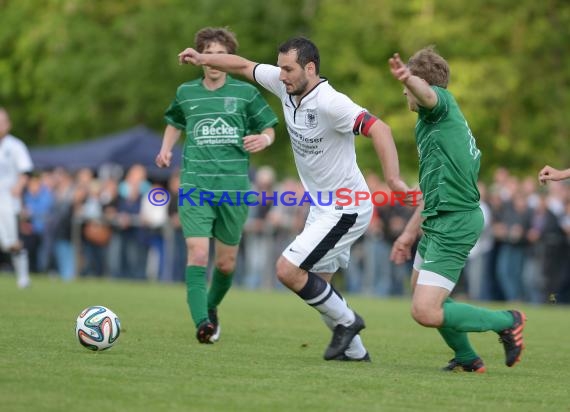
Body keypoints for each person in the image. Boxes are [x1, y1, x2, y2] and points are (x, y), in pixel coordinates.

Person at [178, 36, 412, 361]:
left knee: (288, 270)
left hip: (347, 205)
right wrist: (204, 60)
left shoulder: (331, 102)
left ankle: (349, 321)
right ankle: (356, 354)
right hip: (323, 207)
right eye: (280, 68)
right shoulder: (284, 83)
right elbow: (243, 65)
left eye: (288, 69)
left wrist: (393, 180)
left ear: (310, 68)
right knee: (320, 287)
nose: (282, 75)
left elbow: (381, 129)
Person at [388, 48, 526, 373]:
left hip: (456, 221)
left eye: (407, 84)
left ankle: (508, 321)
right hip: (437, 220)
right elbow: (433, 190)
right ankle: (466, 357)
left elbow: (428, 94)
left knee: (425, 311)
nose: (404, 91)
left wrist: (409, 77)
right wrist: (408, 234)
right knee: (423, 295)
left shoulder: (441, 107)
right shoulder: (431, 125)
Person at [156, 27, 279, 344]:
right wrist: (166, 148)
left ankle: (210, 308)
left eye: (220, 55)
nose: (213, 60)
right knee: (197, 254)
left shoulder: (245, 94)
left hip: (234, 189)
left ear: (229, 59)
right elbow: (174, 121)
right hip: (195, 186)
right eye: (207, 53)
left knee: (226, 264)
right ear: (199, 57)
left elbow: (269, 126)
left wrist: (264, 139)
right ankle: (201, 322)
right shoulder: (186, 92)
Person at [0, 107, 33, 288]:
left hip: (7, 200)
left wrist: (19, 187)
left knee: (11, 243)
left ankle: (23, 277)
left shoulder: (15, 146)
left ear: (8, 125)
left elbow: (26, 170)